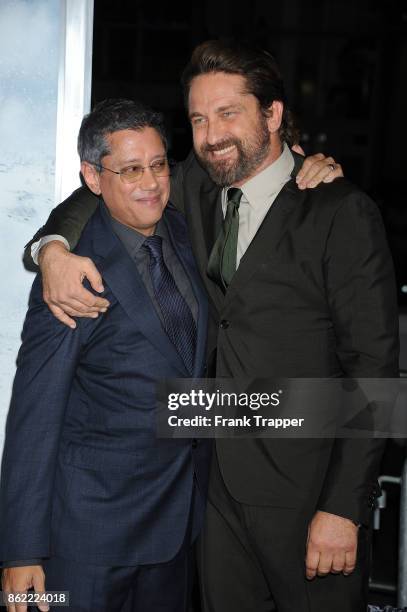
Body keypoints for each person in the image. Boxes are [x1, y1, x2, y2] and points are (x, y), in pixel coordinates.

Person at [20, 40, 399, 611]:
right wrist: (50, 247)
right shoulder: (195, 188)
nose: (211, 133)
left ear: (272, 115)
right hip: (211, 506)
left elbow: (375, 372)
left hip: (308, 507)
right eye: (198, 118)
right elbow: (105, 187)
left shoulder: (340, 212)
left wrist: (344, 507)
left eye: (228, 113)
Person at [0, 99, 212, 612]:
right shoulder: (71, 273)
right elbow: (35, 413)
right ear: (92, 177)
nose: (151, 182)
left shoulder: (188, 235)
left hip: (178, 533)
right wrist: (21, 552)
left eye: (159, 165)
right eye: (131, 169)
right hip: (85, 543)